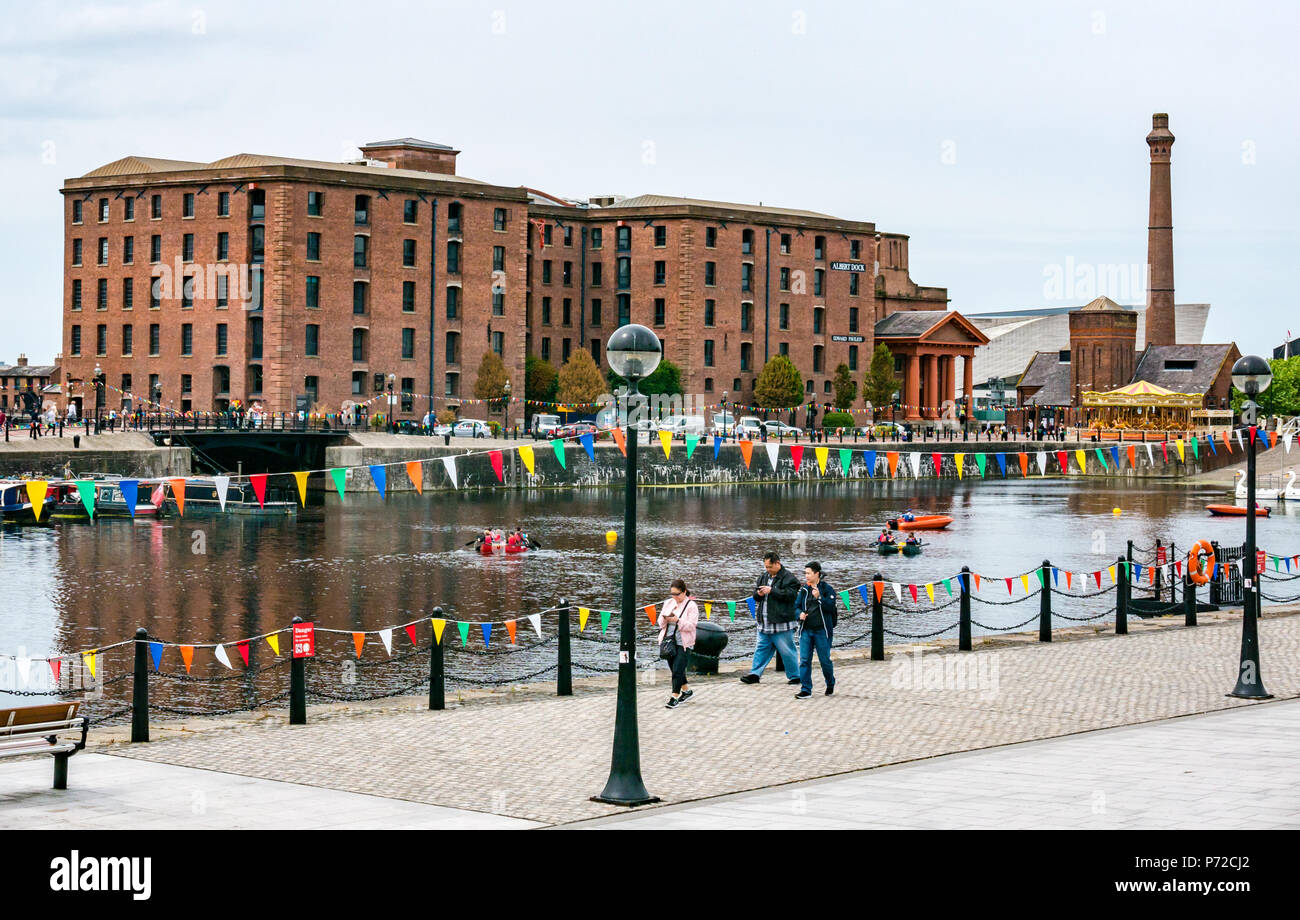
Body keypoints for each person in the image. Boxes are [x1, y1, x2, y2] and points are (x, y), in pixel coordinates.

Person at [740, 551, 801, 685]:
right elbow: (755, 597)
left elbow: (792, 595)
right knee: (761, 648)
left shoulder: (789, 578)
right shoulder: (763, 577)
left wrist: (772, 590)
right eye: (766, 567)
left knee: (787, 650)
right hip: (765, 621)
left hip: (782, 622)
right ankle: (755, 674)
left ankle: (795, 676)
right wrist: (758, 593)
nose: (767, 570)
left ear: (777, 563)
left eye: (769, 567)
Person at [794, 562, 836, 699]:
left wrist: (820, 598)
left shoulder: (827, 589)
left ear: (817, 573)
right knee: (805, 660)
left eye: (808, 573)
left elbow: (830, 607)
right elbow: (796, 607)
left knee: (825, 660)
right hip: (806, 630)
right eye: (805, 573)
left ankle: (830, 682)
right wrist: (799, 614)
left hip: (822, 631)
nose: (806, 576)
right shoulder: (803, 590)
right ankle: (806, 689)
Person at [660, 579, 699, 709]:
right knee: (676, 669)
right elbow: (660, 623)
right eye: (672, 594)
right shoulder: (668, 603)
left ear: (684, 592)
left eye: (677, 594)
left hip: (684, 642)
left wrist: (677, 620)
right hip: (669, 641)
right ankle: (687, 691)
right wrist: (666, 618)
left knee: (677, 669)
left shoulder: (691, 606)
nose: (674, 597)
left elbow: (691, 626)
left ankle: (674, 697)